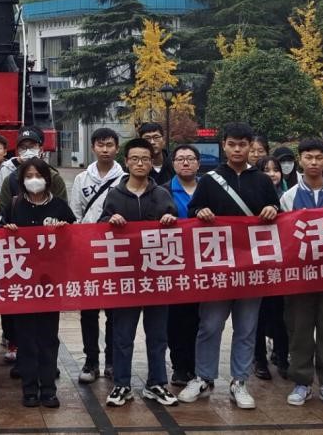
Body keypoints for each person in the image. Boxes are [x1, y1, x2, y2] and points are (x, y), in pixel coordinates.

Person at [178, 122, 279, 410]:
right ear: (224, 145)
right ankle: (204, 377)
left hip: (251, 268)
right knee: (210, 325)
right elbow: (193, 211)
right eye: (232, 144)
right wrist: (201, 211)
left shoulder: (262, 181)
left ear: (250, 147)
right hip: (218, 267)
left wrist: (273, 209)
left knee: (246, 327)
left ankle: (240, 381)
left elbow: (277, 213)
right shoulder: (209, 180)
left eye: (242, 144)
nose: (237, 149)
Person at [101, 138, 179, 408]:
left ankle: (156, 383)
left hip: (156, 276)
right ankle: (122, 384)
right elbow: (100, 228)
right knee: (123, 335)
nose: (140, 163)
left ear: (151, 161)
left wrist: (170, 221)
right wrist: (110, 221)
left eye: (145, 159)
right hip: (125, 277)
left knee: (157, 335)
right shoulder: (115, 195)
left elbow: (178, 231)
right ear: (126, 162)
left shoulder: (162, 195)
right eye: (134, 159)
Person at [278, 138, 323, 409]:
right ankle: (302, 382)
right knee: (300, 330)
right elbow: (283, 237)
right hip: (299, 277)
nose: (314, 162)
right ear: (300, 160)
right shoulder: (289, 196)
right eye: (309, 157)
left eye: (319, 157)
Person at [2, 158, 76, 408]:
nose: (34, 180)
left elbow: (75, 241)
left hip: (49, 283)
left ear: (47, 178)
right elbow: (0, 239)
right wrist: (8, 230)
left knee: (48, 337)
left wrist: (64, 230)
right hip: (22, 282)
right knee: (25, 338)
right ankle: (29, 389)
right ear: (21, 181)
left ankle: (49, 389)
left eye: (38, 175)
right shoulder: (14, 205)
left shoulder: (59, 206)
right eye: (28, 176)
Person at [68, 127, 124, 383]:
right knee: (88, 310)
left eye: (110, 145)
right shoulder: (82, 179)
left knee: (114, 311)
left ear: (117, 148)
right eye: (100, 145)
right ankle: (91, 361)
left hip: (115, 251)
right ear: (93, 148)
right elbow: (75, 213)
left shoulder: (124, 178)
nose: (105, 149)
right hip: (88, 251)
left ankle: (112, 360)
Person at [167, 144, 201, 386]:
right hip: (175, 264)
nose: (185, 163)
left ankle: (199, 366)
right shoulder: (163, 191)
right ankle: (180, 366)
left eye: (190, 158)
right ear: (173, 164)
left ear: (198, 163)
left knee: (202, 319)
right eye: (180, 159)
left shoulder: (210, 188)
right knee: (177, 319)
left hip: (205, 264)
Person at [253, 153, 289, 382]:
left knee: (282, 315)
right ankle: (259, 359)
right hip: (256, 267)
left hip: (282, 268)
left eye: (275, 170)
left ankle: (283, 356)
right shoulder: (252, 196)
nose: (272, 174)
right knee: (258, 316)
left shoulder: (288, 197)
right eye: (266, 170)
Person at [0, 128, 67, 214]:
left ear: (41, 149)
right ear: (18, 152)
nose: (28, 151)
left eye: (32, 146)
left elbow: (63, 211)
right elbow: (4, 213)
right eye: (23, 147)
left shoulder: (54, 178)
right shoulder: (10, 180)